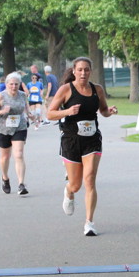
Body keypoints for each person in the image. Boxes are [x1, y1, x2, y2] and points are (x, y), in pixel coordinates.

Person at [47, 57, 118, 236]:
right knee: (76, 185)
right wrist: (68, 111)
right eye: (80, 70)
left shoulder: (97, 89)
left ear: (90, 71)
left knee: (90, 179)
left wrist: (109, 112)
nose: (83, 73)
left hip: (92, 140)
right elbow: (50, 114)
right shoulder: (66, 89)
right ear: (74, 71)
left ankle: (89, 223)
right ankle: (69, 192)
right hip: (71, 140)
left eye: (86, 69)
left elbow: (103, 110)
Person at [0, 72, 36, 195]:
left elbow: (26, 108)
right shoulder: (1, 96)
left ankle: (21, 184)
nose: (14, 87)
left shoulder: (23, 95)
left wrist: (30, 114)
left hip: (20, 127)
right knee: (5, 157)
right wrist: (1, 111)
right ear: (7, 84)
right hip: (3, 129)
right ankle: (5, 178)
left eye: (16, 84)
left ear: (20, 84)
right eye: (11, 84)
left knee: (18, 154)